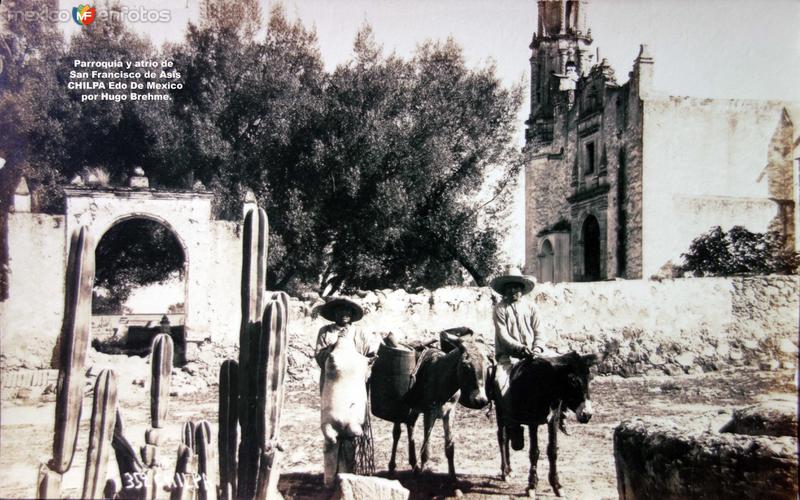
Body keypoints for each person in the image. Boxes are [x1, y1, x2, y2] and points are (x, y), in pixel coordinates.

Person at [490, 267, 547, 448]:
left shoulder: (531, 307)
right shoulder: (500, 309)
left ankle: (554, 415)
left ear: (522, 289)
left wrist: (537, 347)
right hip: (509, 358)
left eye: (517, 287)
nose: (513, 291)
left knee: (554, 375)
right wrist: (520, 348)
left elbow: (539, 331)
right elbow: (503, 335)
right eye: (510, 287)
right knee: (502, 383)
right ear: (504, 290)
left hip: (533, 354)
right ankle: (512, 421)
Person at [314, 297, 378, 389]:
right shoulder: (326, 331)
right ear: (334, 313)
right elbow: (319, 355)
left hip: (355, 379)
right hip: (333, 379)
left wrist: (372, 357)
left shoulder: (359, 331)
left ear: (352, 313)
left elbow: (368, 353)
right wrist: (334, 347)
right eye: (340, 310)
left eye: (347, 310)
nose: (344, 314)